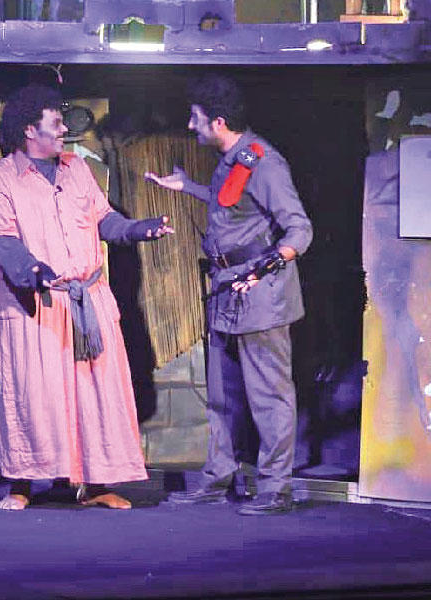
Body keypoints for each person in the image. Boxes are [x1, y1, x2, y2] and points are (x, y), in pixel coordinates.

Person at [0, 84, 174, 511]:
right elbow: (3, 238)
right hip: (36, 305)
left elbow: (104, 219)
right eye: (56, 122)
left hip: (86, 300)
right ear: (30, 130)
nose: (64, 129)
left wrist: (139, 229)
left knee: (93, 394)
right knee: (34, 395)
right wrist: (33, 271)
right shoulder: (1, 178)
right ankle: (23, 483)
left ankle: (95, 485)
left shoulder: (78, 169)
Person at [146, 75, 313, 515]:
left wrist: (265, 268)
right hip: (225, 291)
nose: (190, 125)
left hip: (260, 296)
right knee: (221, 398)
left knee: (270, 397)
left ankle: (275, 488)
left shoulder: (265, 162)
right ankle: (217, 478)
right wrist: (187, 187)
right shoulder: (233, 159)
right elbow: (232, 205)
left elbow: (299, 229)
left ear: (218, 122)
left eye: (196, 118)